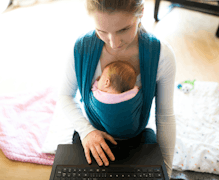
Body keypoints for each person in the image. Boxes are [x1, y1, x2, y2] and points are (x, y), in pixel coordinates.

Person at [55, 0, 176, 178]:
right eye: (102, 31)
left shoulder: (161, 55)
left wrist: (166, 170)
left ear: (141, 12)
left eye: (123, 30)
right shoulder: (81, 49)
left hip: (137, 137)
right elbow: (65, 96)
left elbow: (165, 116)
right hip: (91, 134)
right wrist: (86, 131)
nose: (114, 43)